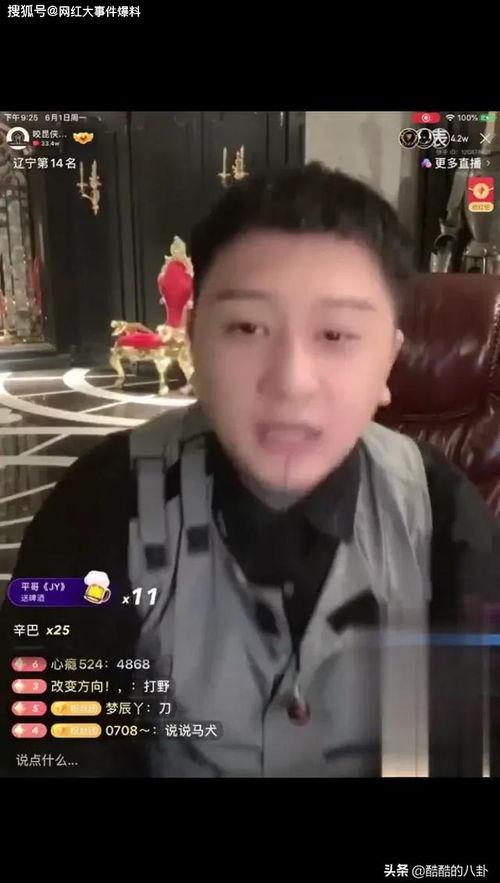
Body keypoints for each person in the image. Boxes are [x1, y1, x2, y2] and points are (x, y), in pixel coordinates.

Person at [1, 162, 499, 778]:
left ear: (389, 363)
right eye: (246, 327)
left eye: (336, 334)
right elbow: (48, 743)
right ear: (194, 340)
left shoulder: (442, 520)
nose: (291, 381)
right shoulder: (99, 507)